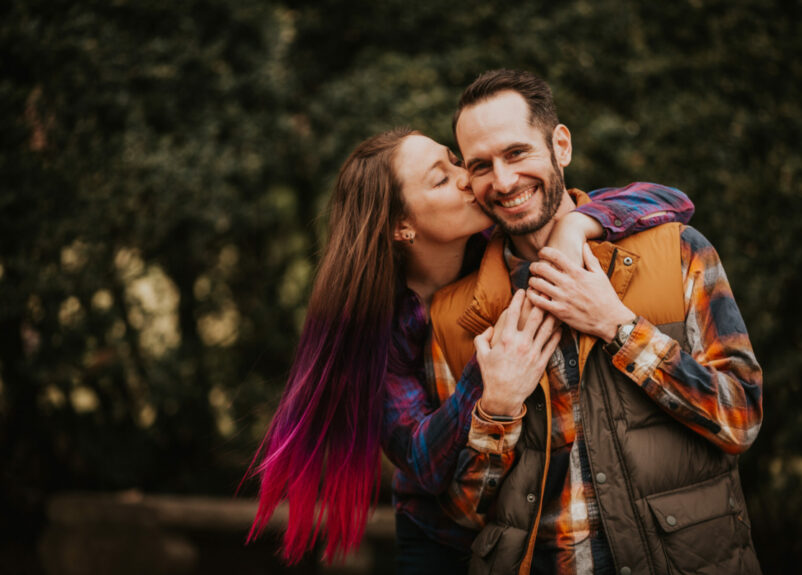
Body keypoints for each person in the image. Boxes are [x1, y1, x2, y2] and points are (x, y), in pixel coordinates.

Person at [243, 126, 695, 571]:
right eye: (441, 178)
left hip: (524, 527)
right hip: (440, 539)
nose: (467, 177)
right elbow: (424, 464)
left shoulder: (503, 246)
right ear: (402, 227)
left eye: (454, 161)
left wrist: (577, 225)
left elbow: (673, 200)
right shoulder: (379, 330)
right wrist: (487, 376)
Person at [429, 69, 763, 574]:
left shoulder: (677, 252)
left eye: (517, 153)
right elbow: (459, 509)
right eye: (481, 166)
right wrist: (496, 409)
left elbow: (741, 418)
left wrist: (619, 328)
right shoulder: (454, 317)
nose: (502, 181)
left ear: (560, 145)